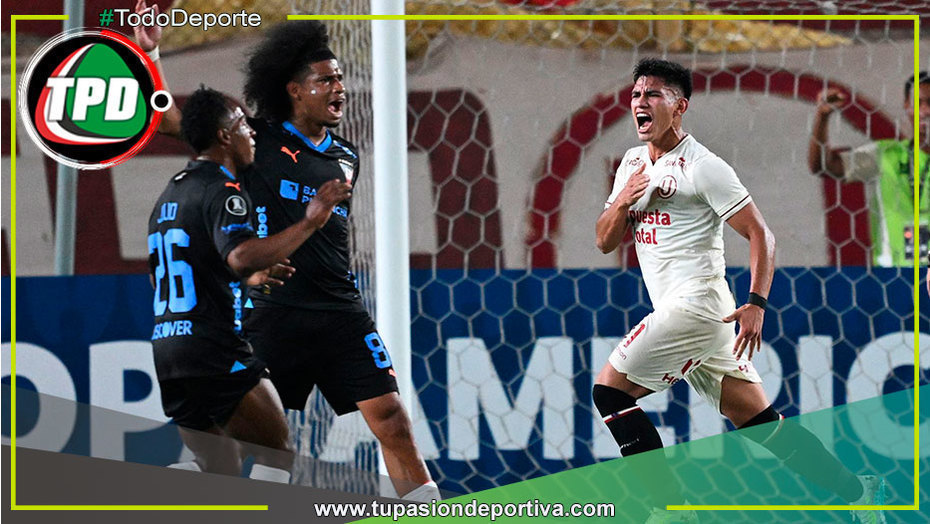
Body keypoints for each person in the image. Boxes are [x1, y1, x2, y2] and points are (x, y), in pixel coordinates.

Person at [135, 2, 439, 501]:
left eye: (339, 78)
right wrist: (152, 55)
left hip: (340, 310)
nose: (338, 88)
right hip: (271, 313)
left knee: (392, 420)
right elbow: (171, 122)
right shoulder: (256, 140)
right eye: (324, 80)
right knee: (251, 442)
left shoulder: (345, 156)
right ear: (293, 90)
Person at [594, 58, 885, 523]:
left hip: (698, 307)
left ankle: (668, 511)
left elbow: (761, 235)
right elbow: (605, 239)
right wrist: (625, 198)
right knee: (760, 424)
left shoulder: (703, 166)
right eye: (635, 95)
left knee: (610, 392)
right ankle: (859, 492)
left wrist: (757, 303)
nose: (640, 103)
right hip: (692, 315)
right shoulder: (633, 163)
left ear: (679, 106)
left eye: (652, 95)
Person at [148, 86, 351, 482]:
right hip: (215, 347)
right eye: (242, 125)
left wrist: (253, 274)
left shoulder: (172, 190)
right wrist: (310, 221)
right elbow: (239, 255)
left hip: (169, 349)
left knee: (219, 465)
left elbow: (201, 263)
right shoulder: (222, 189)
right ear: (224, 136)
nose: (251, 133)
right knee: (277, 454)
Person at [808, 72, 930, 267]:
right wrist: (822, 117)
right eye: (918, 103)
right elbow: (823, 166)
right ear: (907, 106)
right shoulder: (885, 154)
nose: (925, 111)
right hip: (892, 277)